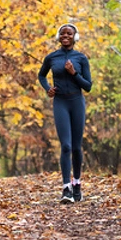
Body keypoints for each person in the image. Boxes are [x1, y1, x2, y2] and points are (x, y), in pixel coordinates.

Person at [38, 23, 92, 203]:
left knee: (76, 147)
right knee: (66, 146)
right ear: (58, 37)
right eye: (63, 34)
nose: (66, 36)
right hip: (60, 102)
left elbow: (88, 86)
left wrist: (74, 73)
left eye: (69, 34)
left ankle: (77, 183)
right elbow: (41, 75)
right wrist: (48, 89)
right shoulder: (52, 57)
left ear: (75, 37)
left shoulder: (81, 58)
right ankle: (66, 189)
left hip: (77, 102)